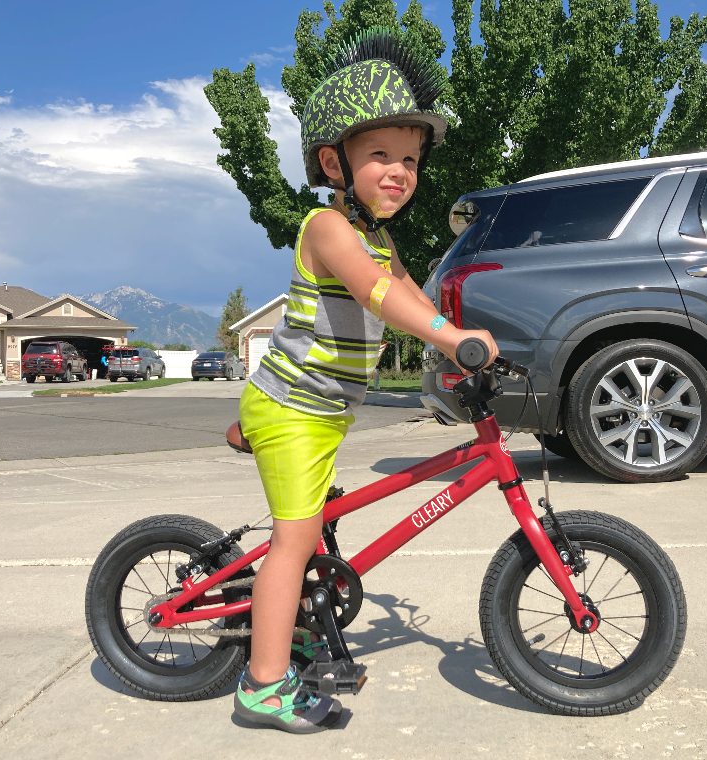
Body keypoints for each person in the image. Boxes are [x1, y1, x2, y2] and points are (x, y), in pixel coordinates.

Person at [233, 27, 498, 733]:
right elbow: (380, 298)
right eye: (380, 153)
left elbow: (414, 299)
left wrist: (458, 339)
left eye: (409, 158)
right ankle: (262, 687)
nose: (399, 170)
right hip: (290, 409)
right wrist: (452, 339)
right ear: (333, 160)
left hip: (321, 414)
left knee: (318, 529)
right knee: (294, 540)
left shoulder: (380, 238)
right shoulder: (328, 228)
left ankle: (302, 630)